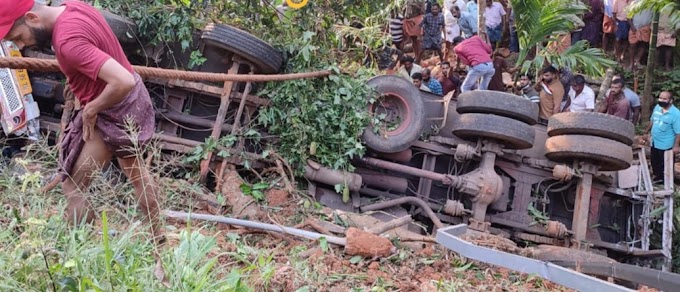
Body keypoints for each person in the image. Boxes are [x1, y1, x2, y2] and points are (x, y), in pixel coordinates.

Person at [1, 0, 164, 241]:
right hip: (116, 101)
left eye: (19, 37)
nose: (22, 45)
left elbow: (122, 82)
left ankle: (84, 248)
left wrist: (91, 110)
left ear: (32, 18)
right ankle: (152, 241)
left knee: (84, 184)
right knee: (89, 180)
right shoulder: (73, 7)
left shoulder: (67, 41)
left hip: (116, 105)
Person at [643, 91, 680, 183]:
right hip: (655, 142)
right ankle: (657, 178)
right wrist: (645, 132)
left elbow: (678, 132)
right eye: (660, 98)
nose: (661, 100)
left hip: (666, 145)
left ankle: (667, 182)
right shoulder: (657, 108)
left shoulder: (675, 114)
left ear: (670, 101)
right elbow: (652, 121)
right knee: (654, 161)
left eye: (664, 99)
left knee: (666, 164)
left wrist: (676, 146)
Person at [627, 0, 652, 69]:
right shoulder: (634, 3)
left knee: (643, 44)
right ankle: (631, 63)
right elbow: (629, 16)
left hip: (646, 28)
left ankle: (637, 61)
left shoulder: (651, 3)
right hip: (635, 27)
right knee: (632, 45)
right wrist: (632, 26)